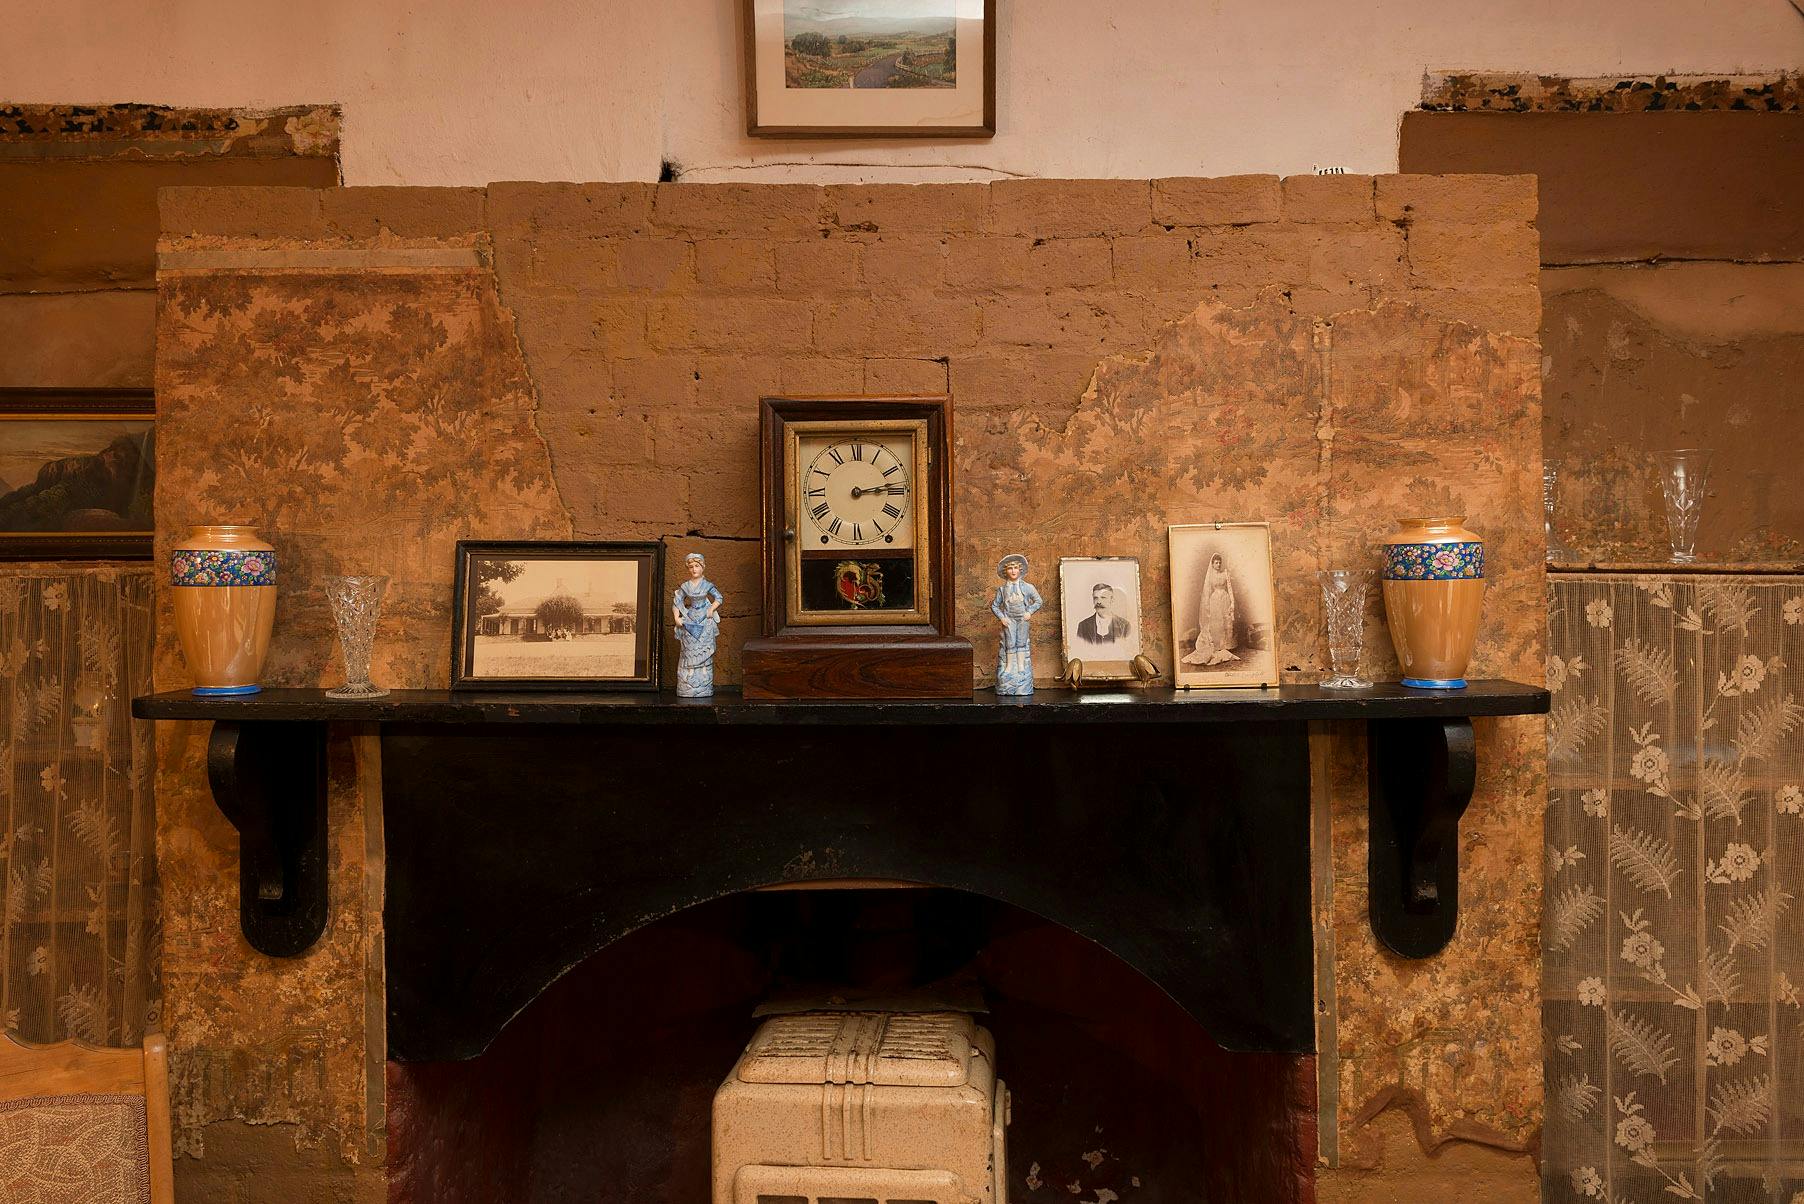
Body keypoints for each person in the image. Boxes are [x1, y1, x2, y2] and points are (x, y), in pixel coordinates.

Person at [671, 552, 724, 697]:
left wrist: (711, 609)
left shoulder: (707, 585)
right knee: (688, 649)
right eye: (691, 567)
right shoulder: (686, 586)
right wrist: (677, 618)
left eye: (697, 566)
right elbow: (677, 602)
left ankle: (704, 682)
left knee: (704, 649)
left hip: (704, 620)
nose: (694, 569)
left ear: (703, 567)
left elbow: (719, 597)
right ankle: (688, 683)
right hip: (690, 618)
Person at [990, 553, 1043, 695]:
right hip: (1009, 619)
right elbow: (995, 606)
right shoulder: (1002, 590)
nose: (1013, 571)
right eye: (1010, 568)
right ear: (1005, 571)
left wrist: (1029, 612)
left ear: (1020, 570)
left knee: (1021, 642)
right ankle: (1008, 666)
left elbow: (1038, 601)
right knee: (1010, 642)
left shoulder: (1028, 587)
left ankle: (1020, 667)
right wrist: (1002, 617)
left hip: (1022, 618)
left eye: (1015, 568)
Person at [1182, 552, 1240, 666]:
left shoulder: (1225, 573)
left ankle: (1226, 645)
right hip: (1214, 600)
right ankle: (1217, 645)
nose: (1218, 565)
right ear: (1212, 564)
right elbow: (1207, 593)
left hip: (1225, 599)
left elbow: (1230, 588)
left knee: (1226, 623)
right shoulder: (1210, 576)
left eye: (1219, 563)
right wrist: (1207, 605)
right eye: (1216, 563)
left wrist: (1232, 603)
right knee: (1216, 623)